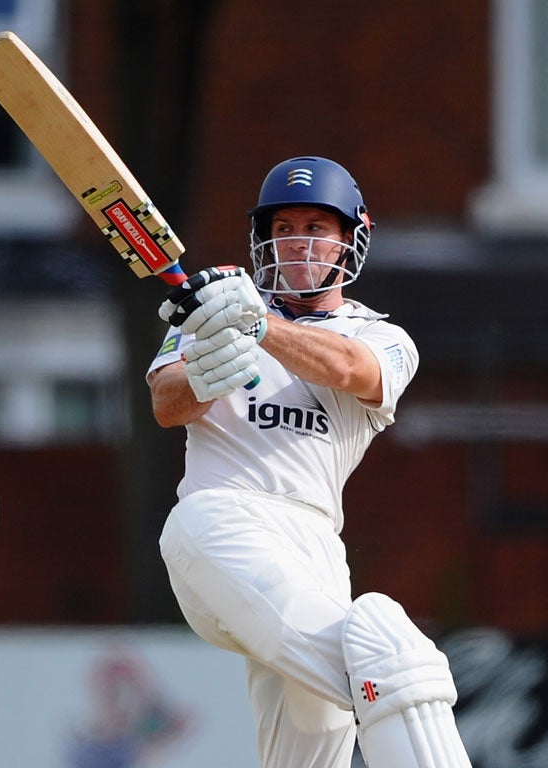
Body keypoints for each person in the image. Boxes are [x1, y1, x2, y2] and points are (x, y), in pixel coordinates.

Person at [147, 157, 472, 767]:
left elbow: (350, 370)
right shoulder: (215, 308)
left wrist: (254, 324)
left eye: (316, 227)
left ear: (350, 238)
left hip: (317, 545)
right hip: (217, 520)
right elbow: (167, 405)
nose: (297, 242)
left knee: (316, 740)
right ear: (264, 237)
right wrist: (207, 358)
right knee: (389, 654)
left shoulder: (383, 336)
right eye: (284, 227)